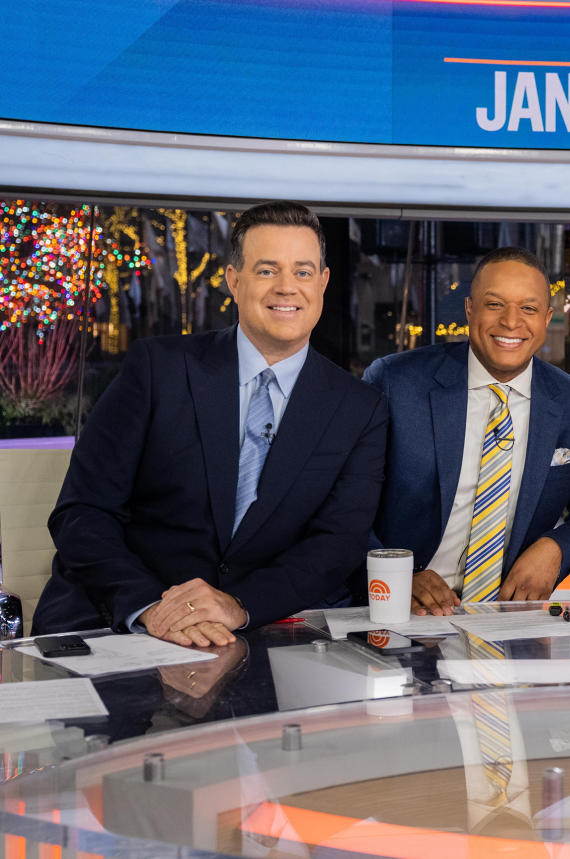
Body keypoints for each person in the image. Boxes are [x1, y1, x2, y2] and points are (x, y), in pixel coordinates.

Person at [33, 201, 389, 645]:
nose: (286, 288)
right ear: (234, 281)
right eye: (266, 270)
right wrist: (152, 609)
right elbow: (83, 512)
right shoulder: (157, 369)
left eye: (302, 272)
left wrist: (238, 607)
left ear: (323, 282)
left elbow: (337, 544)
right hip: (118, 621)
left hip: (252, 632)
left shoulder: (359, 406)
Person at [365, 247, 570, 614]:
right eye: (495, 304)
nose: (511, 322)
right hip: (400, 611)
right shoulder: (395, 383)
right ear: (469, 310)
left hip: (512, 619)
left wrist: (556, 548)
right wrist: (394, 575)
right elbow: (339, 504)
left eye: (528, 308)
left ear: (547, 318)